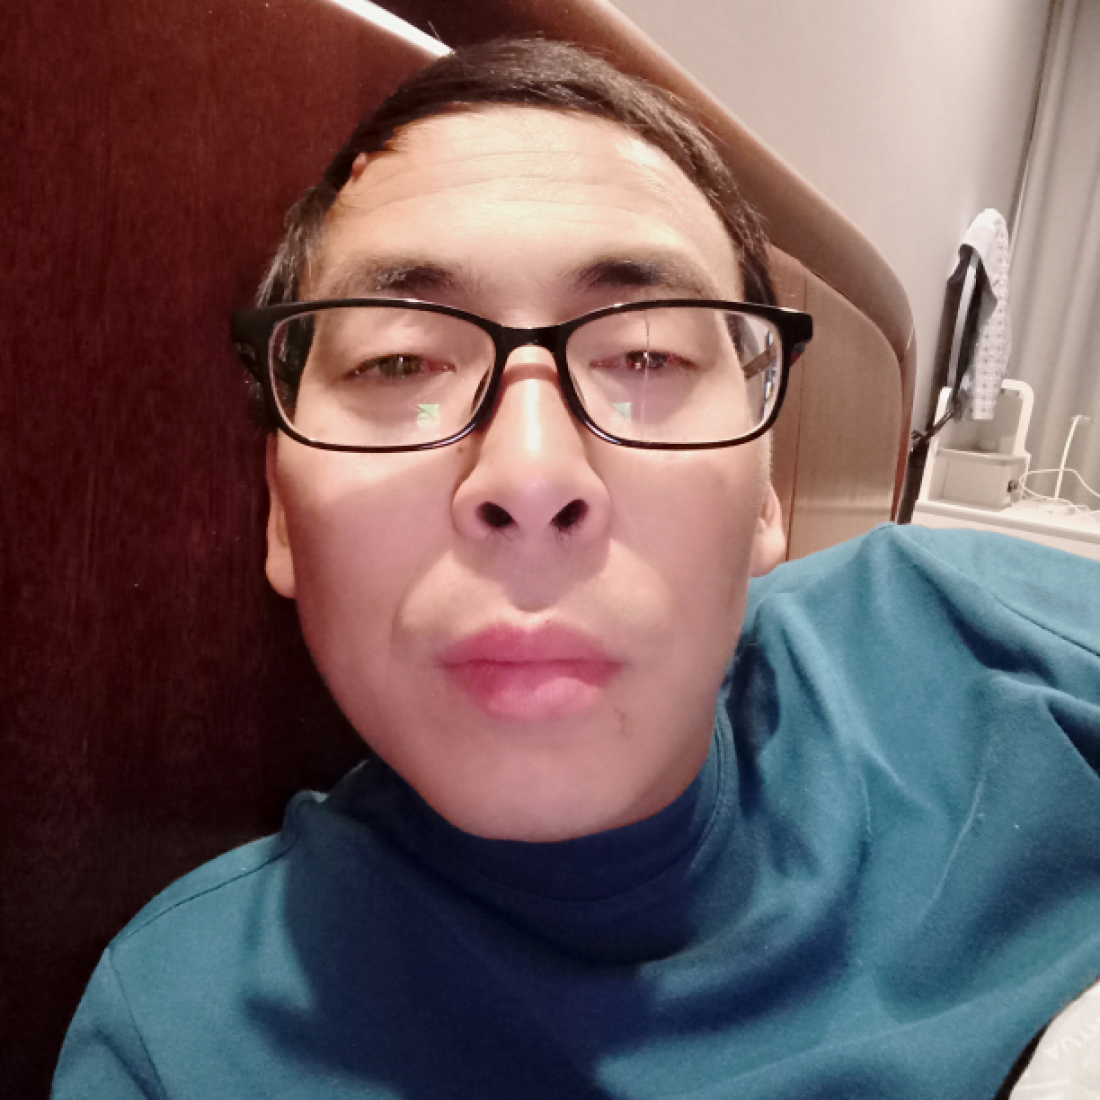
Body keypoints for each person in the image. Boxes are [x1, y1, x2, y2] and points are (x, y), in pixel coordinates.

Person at [53, 38, 1100, 1099]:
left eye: (646, 355)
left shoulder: (985, 633)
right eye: (398, 361)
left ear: (764, 495)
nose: (530, 474)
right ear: (282, 516)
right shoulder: (182, 1039)